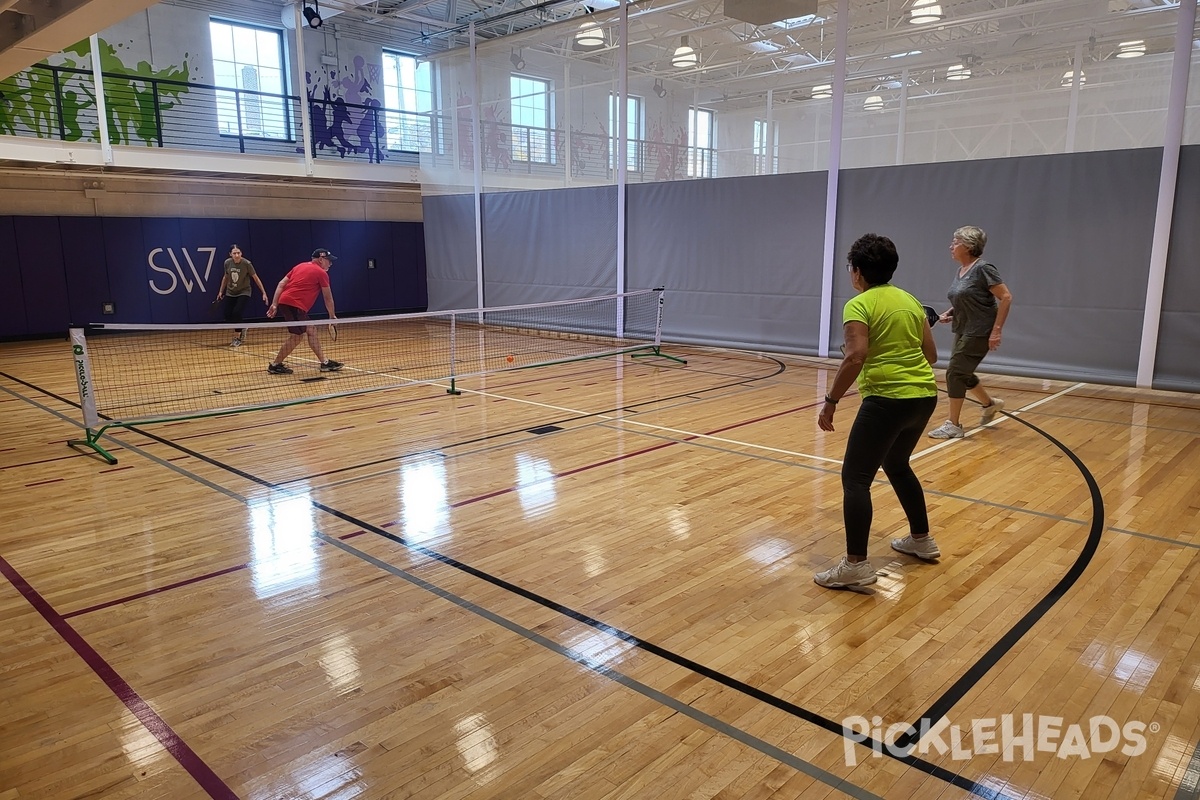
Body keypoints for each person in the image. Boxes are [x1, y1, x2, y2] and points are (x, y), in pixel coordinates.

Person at [815, 233, 940, 589]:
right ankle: (921, 539)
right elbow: (930, 356)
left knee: (855, 480)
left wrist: (832, 401)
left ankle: (856, 565)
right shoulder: (910, 301)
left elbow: (856, 355)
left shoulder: (859, 305)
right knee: (897, 466)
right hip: (923, 397)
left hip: (887, 399)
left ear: (856, 271)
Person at [927, 225, 1014, 439]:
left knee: (955, 373)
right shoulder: (962, 270)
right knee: (962, 372)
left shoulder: (983, 268)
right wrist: (951, 313)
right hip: (963, 329)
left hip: (980, 331)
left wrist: (996, 331)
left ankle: (953, 425)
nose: (951, 246)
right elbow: (970, 298)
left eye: (955, 242)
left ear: (968, 246)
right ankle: (989, 405)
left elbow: (1006, 297)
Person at [265, 248, 343, 375]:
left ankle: (325, 362)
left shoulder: (299, 266)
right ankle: (275, 365)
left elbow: (281, 284)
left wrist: (275, 304)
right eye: (329, 261)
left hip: (287, 302)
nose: (330, 264)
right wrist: (332, 315)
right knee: (297, 336)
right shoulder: (321, 273)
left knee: (311, 330)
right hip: (294, 305)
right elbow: (328, 297)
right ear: (321, 259)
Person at [215, 244, 269, 347]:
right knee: (227, 314)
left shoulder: (247, 263)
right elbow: (225, 277)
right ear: (230, 254)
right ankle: (242, 327)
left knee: (237, 312)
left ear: (241, 253)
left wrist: (264, 293)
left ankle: (237, 338)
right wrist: (220, 291)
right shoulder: (227, 263)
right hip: (231, 292)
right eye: (234, 253)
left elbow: (256, 278)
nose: (236, 255)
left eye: (238, 253)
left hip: (244, 291)